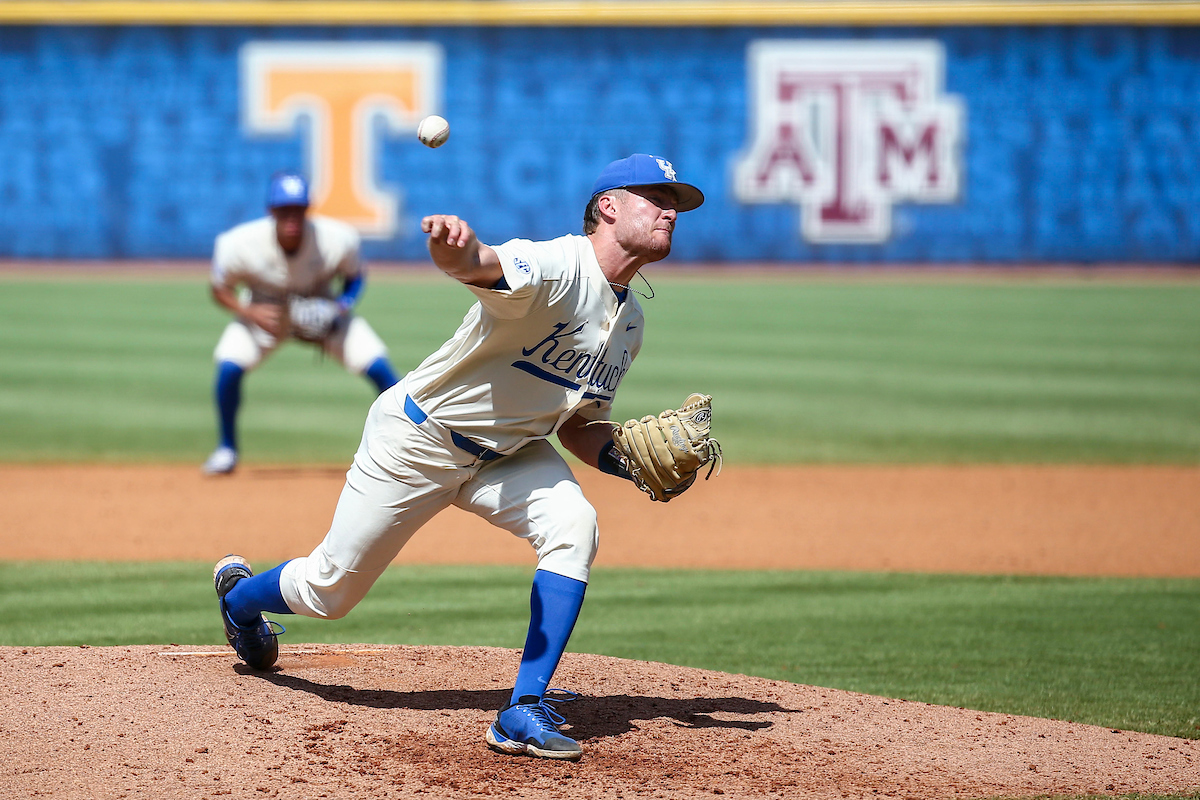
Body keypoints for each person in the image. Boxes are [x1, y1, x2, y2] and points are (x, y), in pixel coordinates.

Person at [212, 154, 706, 761]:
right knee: (330, 591)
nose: (669, 211)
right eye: (656, 197)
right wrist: (454, 250)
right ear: (608, 205)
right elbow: (479, 266)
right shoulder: (556, 265)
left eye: (675, 203)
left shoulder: (630, 323)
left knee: (574, 525)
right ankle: (239, 602)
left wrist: (625, 461)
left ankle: (522, 709)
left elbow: (580, 426)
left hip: (511, 453)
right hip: (417, 441)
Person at [201, 171, 401, 475]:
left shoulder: (337, 239)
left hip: (324, 313)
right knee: (229, 365)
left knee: (379, 367)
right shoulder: (239, 243)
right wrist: (248, 312)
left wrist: (341, 306)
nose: (292, 216)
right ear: (272, 211)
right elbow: (219, 288)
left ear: (308, 209)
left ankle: (405, 446)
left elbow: (355, 277)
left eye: (298, 208)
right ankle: (226, 449)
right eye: (284, 210)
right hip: (266, 316)